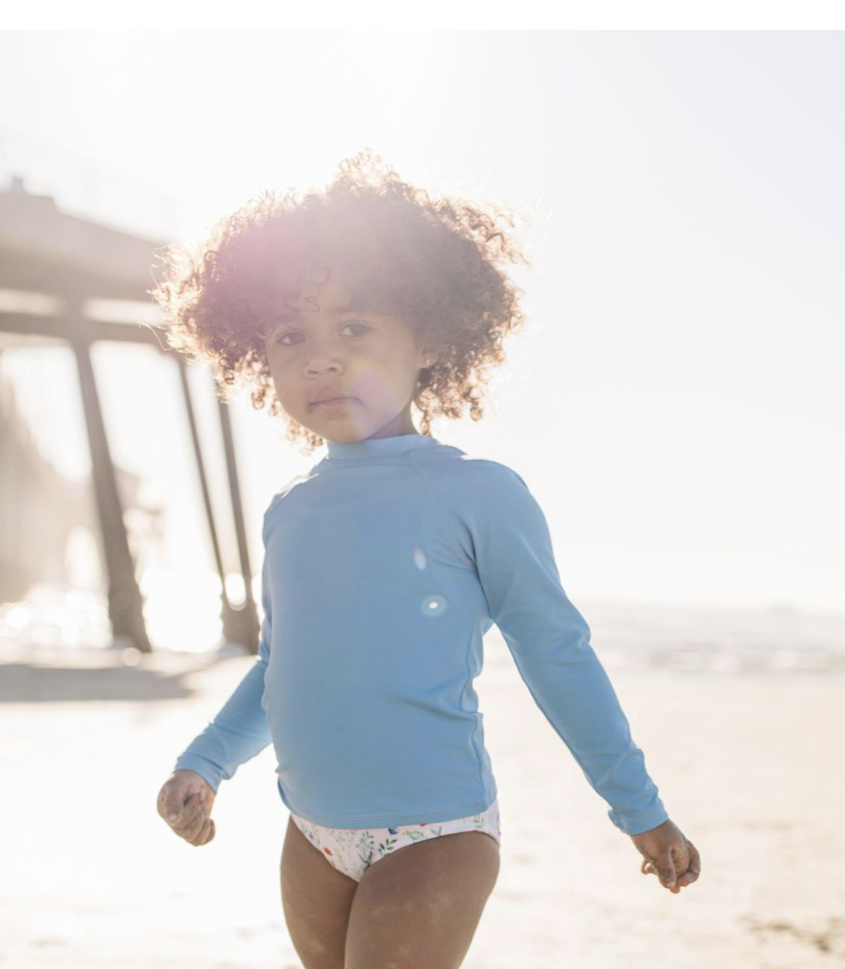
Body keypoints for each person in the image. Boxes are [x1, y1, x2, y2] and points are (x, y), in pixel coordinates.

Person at [151, 148, 700, 969]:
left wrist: (639, 809)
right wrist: (205, 760)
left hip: (436, 832)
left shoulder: (479, 494)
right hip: (311, 831)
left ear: (432, 336)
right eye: (290, 334)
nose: (321, 356)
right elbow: (280, 667)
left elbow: (556, 654)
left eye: (355, 326)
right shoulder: (288, 512)